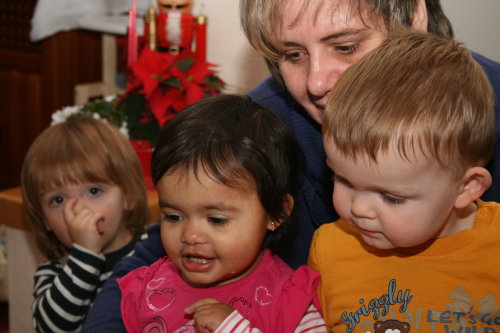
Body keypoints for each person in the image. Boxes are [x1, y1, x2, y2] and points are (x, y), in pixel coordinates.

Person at [83, 0, 500, 330]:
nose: (316, 83)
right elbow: (155, 256)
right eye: (293, 54)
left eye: (346, 46)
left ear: (413, 15)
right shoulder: (269, 120)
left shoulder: (484, 111)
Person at [309, 29, 499, 332]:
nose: (359, 209)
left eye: (391, 197)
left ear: (466, 187)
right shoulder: (330, 249)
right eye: (342, 179)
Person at [117, 94, 326, 332]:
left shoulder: (291, 300)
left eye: (216, 220)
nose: (191, 236)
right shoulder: (146, 288)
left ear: (276, 213)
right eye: (174, 217)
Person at [21, 117, 150, 332]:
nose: (78, 210)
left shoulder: (155, 250)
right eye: (58, 200)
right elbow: (51, 328)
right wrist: (85, 254)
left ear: (128, 196)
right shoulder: (53, 274)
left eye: (93, 191)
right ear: (45, 220)